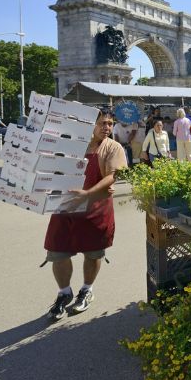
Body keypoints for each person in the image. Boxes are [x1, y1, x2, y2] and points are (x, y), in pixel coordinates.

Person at [44, 110, 127, 320]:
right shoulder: (74, 145)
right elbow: (54, 167)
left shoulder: (113, 147)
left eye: (110, 123)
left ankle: (86, 289)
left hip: (95, 208)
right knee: (58, 251)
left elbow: (112, 175)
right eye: (102, 123)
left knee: (93, 253)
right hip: (67, 206)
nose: (106, 128)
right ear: (90, 124)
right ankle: (64, 293)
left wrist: (89, 193)